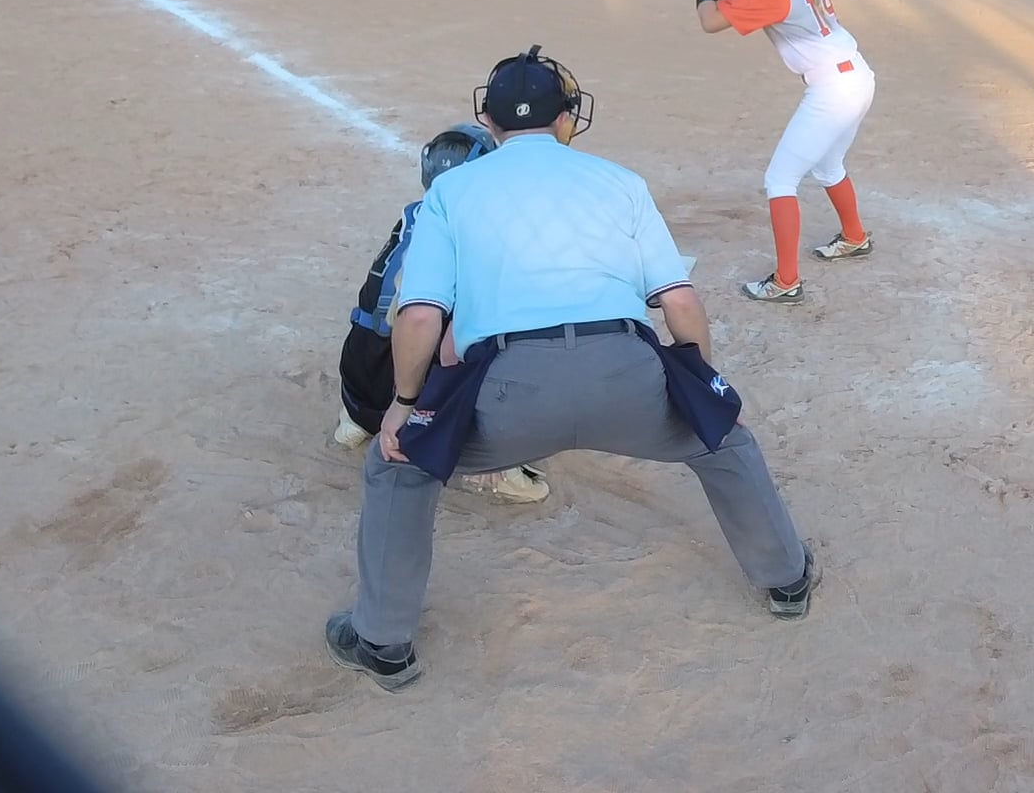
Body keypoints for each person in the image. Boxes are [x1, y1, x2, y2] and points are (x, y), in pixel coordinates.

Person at [325, 46, 815, 691]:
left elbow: (418, 318)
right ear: (565, 119)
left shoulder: (452, 189)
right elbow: (680, 303)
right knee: (722, 439)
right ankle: (787, 579)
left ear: (489, 121)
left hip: (508, 391)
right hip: (627, 375)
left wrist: (403, 406)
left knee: (398, 466)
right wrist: (706, 393)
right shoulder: (620, 181)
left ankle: (383, 642)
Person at [331, 123, 550, 504]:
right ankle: (491, 466)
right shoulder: (478, 237)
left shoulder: (412, 216)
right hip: (404, 406)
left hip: (358, 381)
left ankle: (356, 422)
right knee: (522, 342)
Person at [682, 0, 877, 304]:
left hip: (833, 91)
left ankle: (786, 281)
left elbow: (710, 21)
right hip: (857, 78)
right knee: (828, 166)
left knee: (780, 180)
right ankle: (854, 236)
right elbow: (745, 1)